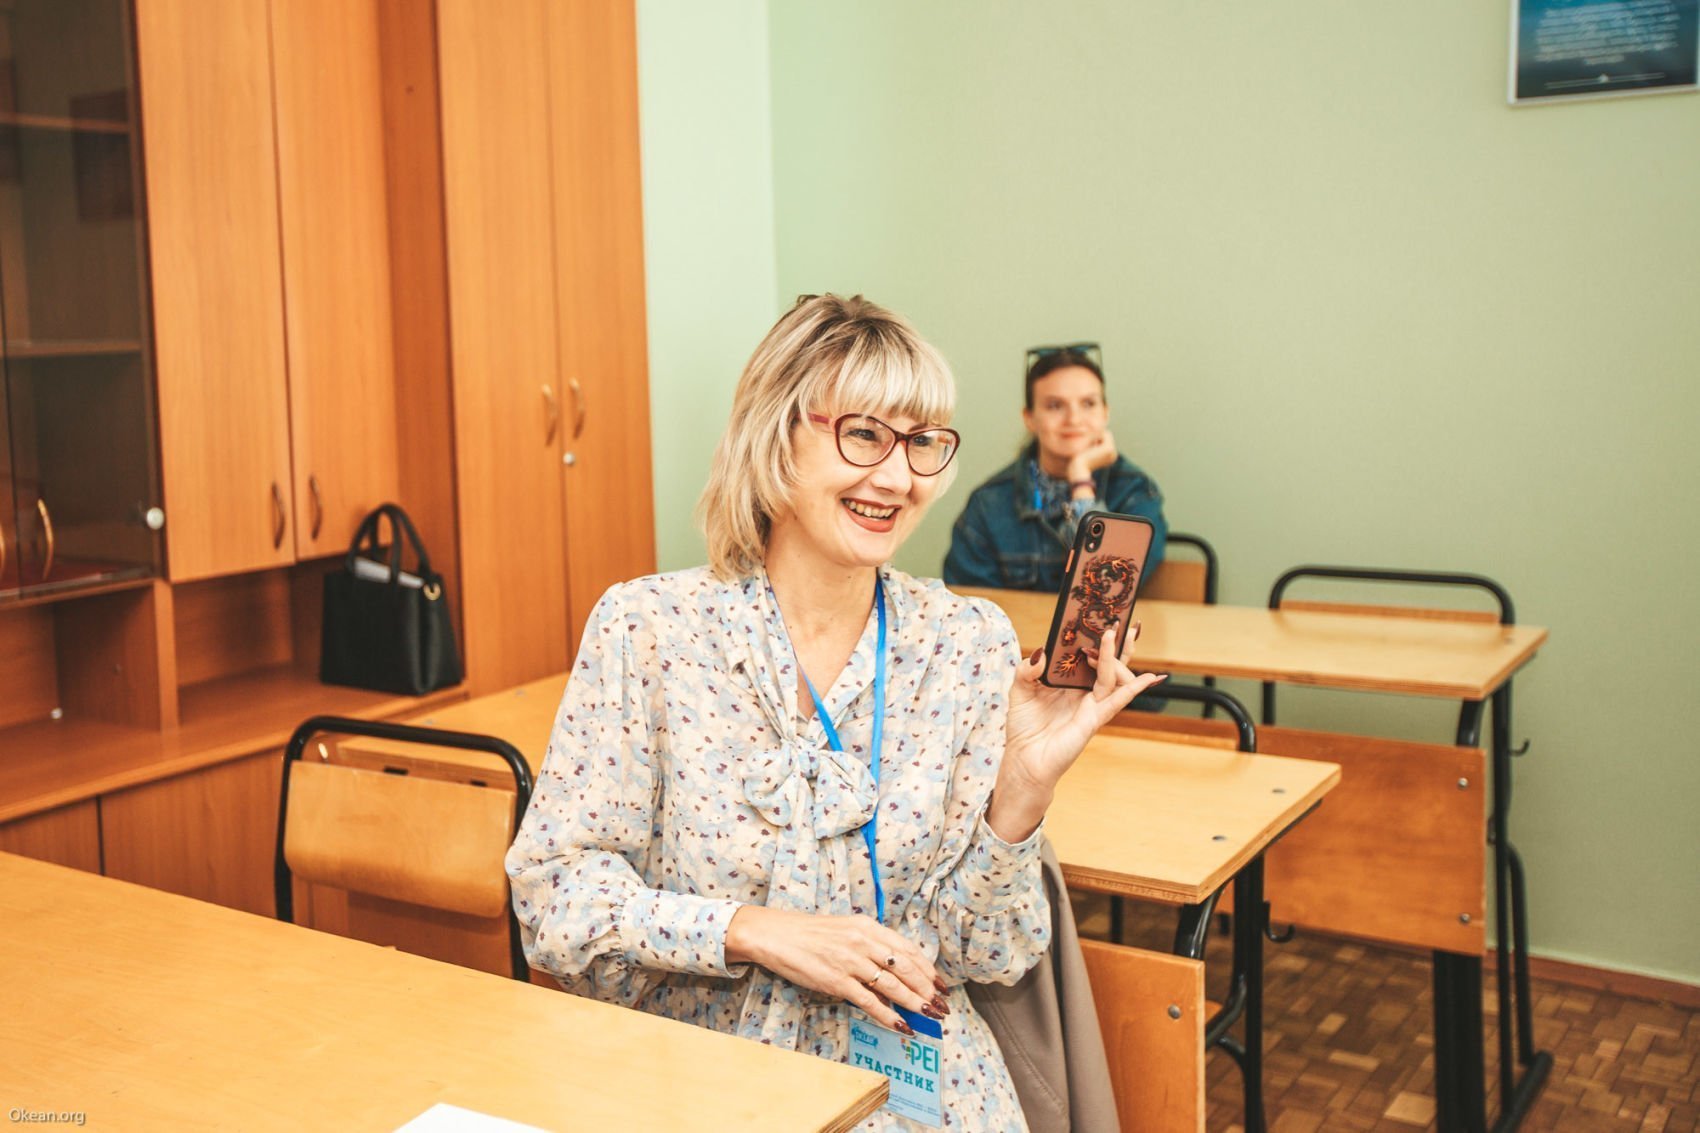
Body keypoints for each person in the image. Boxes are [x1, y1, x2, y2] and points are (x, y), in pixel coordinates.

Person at [506, 296, 1164, 1131]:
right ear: (776, 435)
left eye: (922, 442)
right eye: (864, 434)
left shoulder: (966, 642)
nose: (898, 477)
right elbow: (556, 898)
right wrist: (750, 930)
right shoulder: (650, 630)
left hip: (920, 1093)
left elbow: (986, 952)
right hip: (703, 1081)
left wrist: (1021, 794)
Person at [942, 344, 1167, 593]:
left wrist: (1080, 479)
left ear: (1105, 413)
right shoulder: (989, 504)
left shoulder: (1135, 492)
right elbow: (967, 604)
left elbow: (1107, 590)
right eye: (1055, 406)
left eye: (1088, 403)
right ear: (1029, 418)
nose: (1074, 419)